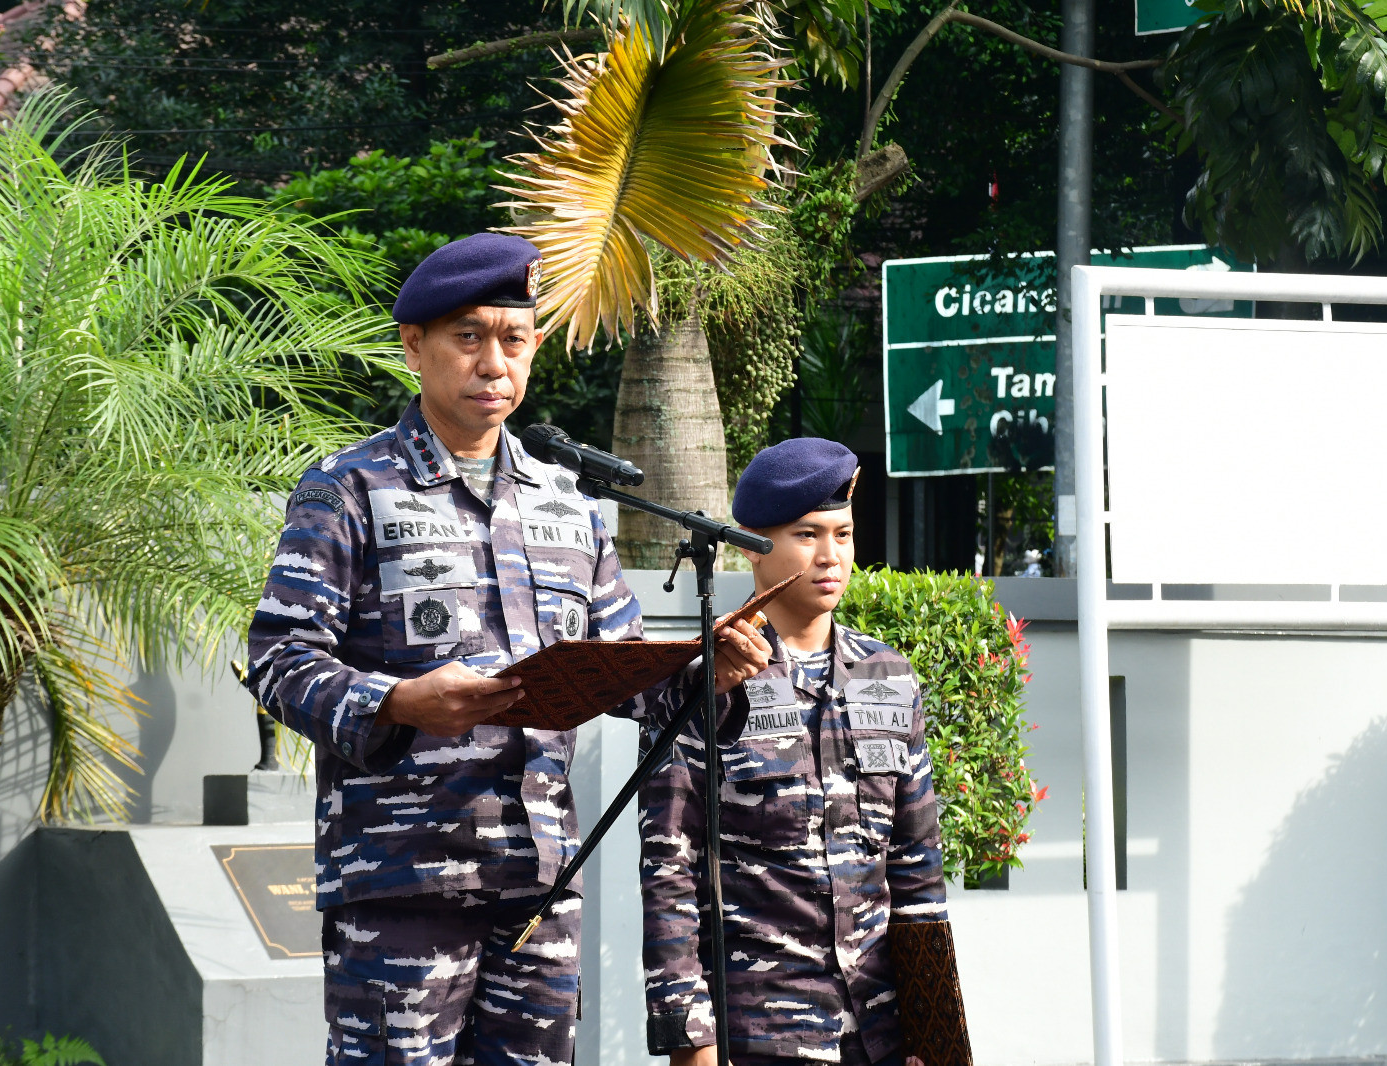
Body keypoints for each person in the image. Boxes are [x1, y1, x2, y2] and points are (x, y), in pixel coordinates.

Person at [244, 231, 771, 1066]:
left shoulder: (569, 505)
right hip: (402, 883)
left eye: (514, 339)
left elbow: (619, 673)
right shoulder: (348, 489)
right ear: (415, 345)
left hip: (541, 884)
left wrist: (709, 677)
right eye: (469, 337)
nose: (495, 362)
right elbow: (278, 658)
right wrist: (398, 702)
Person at [639, 437, 948, 1066]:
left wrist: (932, 1029)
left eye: (844, 534)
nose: (831, 556)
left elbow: (917, 869)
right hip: (760, 1027)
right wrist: (688, 1041)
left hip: (881, 1030)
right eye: (807, 535)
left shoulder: (887, 675)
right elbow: (670, 870)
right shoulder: (709, 681)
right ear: (754, 544)